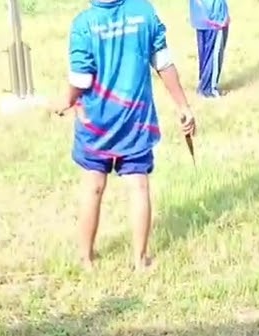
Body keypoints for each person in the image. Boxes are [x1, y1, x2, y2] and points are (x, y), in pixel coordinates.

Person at [52, 0, 197, 270]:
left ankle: (86, 258)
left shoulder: (84, 24)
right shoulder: (143, 12)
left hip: (96, 126)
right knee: (138, 188)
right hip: (135, 123)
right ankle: (140, 260)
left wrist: (65, 100)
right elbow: (163, 63)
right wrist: (183, 106)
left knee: (93, 188)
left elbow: (81, 80)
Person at [190, 0, 230, 98]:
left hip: (200, 15)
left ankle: (204, 85)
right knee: (214, 54)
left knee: (205, 54)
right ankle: (209, 89)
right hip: (214, 16)